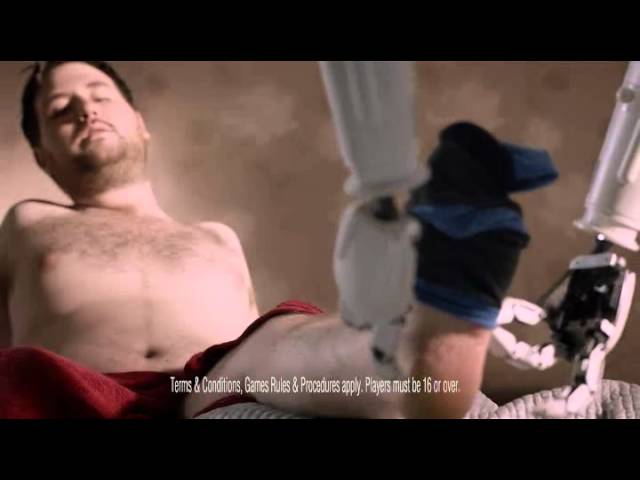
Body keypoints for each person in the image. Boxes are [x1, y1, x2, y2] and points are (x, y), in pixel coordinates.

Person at [0, 61, 533, 419]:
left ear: (140, 124)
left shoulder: (215, 237)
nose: (86, 110)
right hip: (77, 391)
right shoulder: (26, 223)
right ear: (42, 155)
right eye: (60, 109)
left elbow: (261, 346)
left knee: (282, 332)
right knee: (18, 370)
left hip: (204, 387)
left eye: (100, 95)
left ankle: (418, 350)